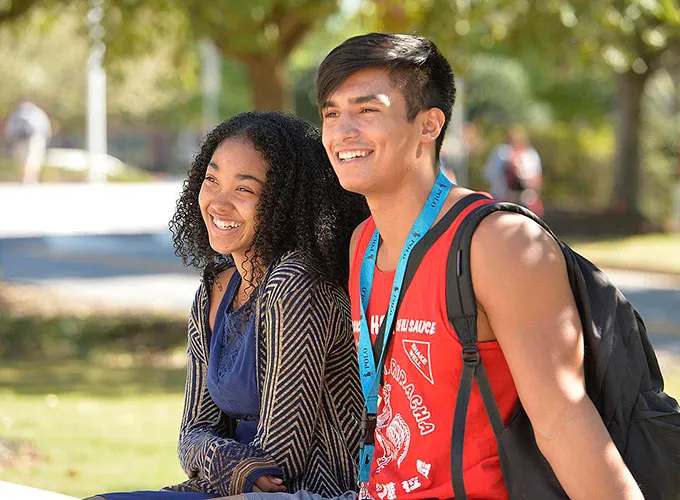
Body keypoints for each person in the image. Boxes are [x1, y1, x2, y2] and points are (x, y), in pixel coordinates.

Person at [217, 33, 644, 500]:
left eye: (367, 110)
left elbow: (564, 420)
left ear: (428, 125)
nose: (342, 132)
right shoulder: (364, 243)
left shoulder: (496, 243)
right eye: (332, 113)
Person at [85, 111, 369, 500]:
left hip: (311, 492)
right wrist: (228, 461)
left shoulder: (296, 284)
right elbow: (191, 435)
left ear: (285, 203)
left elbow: (280, 462)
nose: (218, 203)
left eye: (245, 190)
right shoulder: (215, 289)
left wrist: (215, 457)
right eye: (212, 180)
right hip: (229, 490)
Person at [484, 124, 543, 216]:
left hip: (525, 200)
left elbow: (536, 179)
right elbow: (491, 173)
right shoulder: (501, 153)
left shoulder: (530, 155)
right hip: (503, 199)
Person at [4, 100, 52, 183]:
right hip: (35, 138)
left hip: (19, 140)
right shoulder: (38, 113)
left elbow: (10, 128)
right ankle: (30, 178)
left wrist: (10, 138)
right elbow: (45, 127)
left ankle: (25, 178)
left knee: (22, 159)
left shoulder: (17, 114)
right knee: (33, 159)